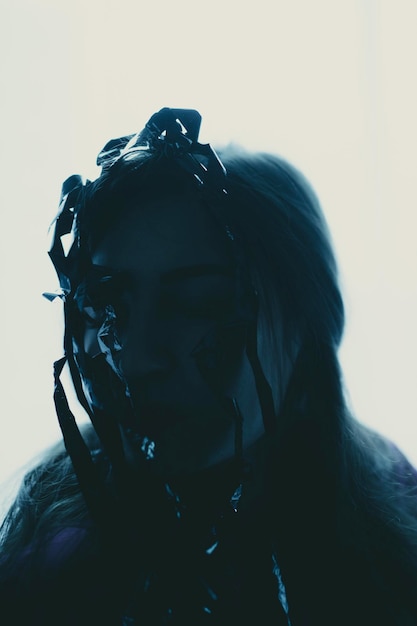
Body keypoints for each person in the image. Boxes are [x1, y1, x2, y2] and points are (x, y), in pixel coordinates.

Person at [0, 107, 416, 625]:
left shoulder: (397, 523)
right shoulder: (48, 555)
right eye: (105, 305)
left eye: (199, 303)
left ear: (306, 325)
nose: (137, 355)